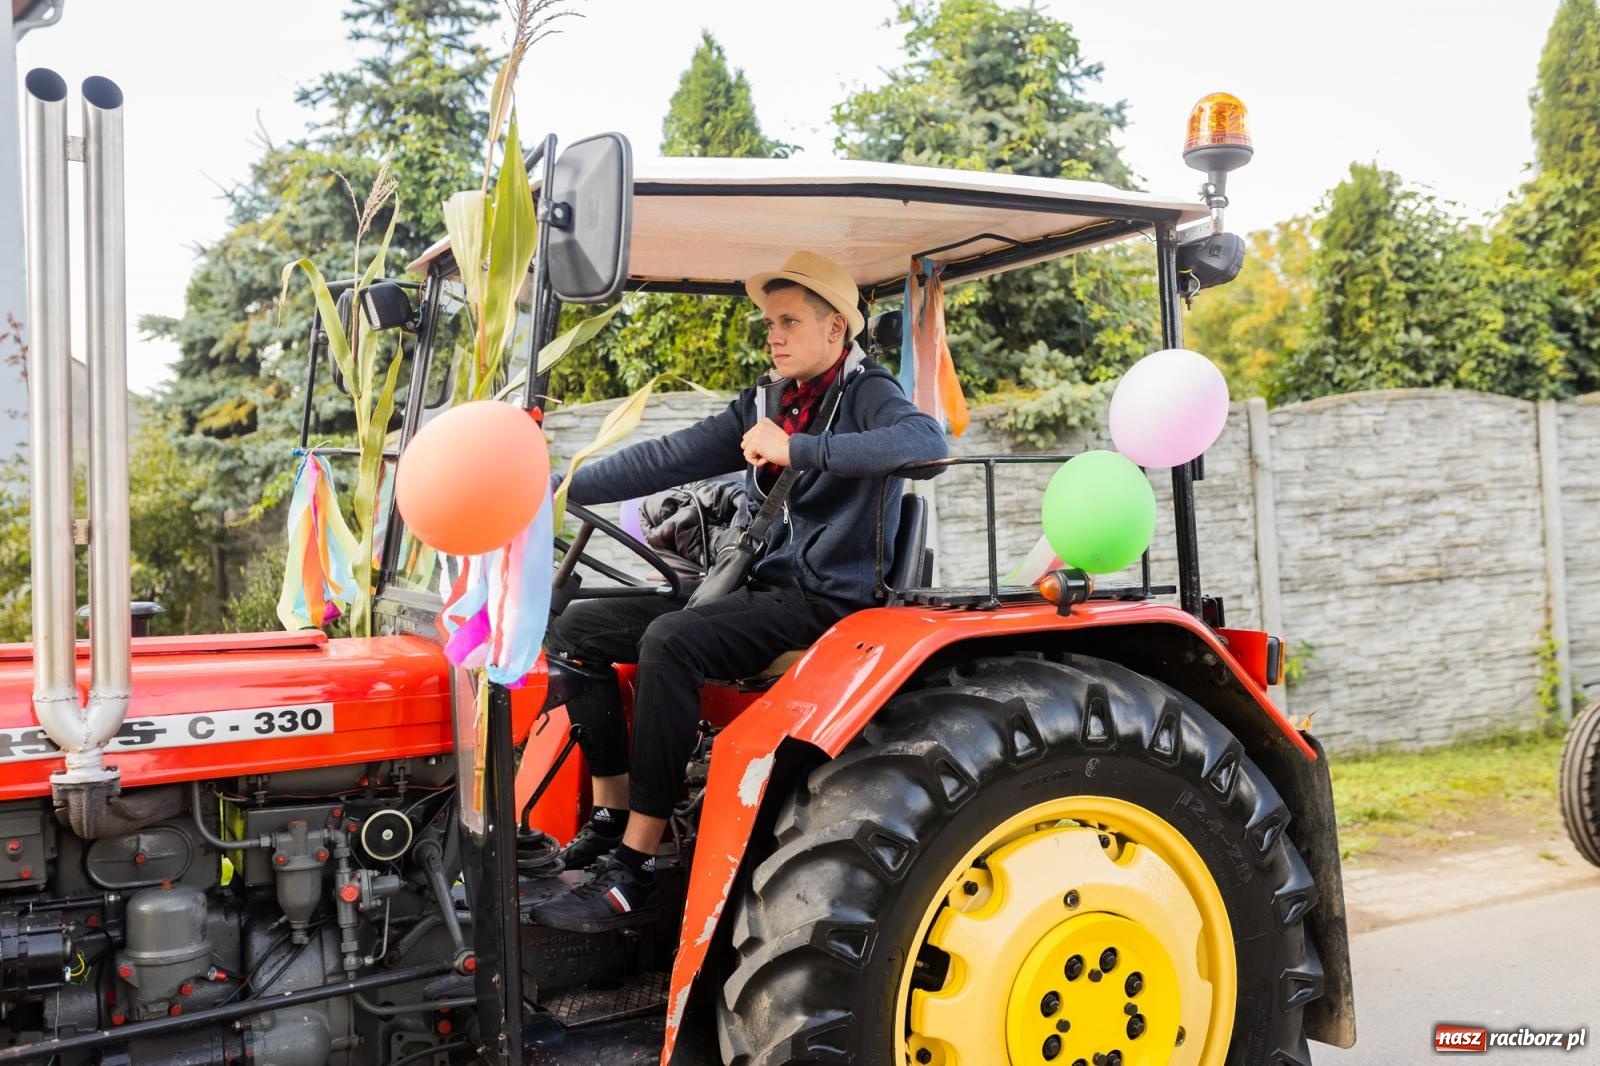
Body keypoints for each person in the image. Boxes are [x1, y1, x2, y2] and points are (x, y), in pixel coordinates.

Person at [531, 250, 947, 932]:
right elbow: (671, 456)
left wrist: (800, 450)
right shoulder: (769, 400)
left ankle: (635, 869)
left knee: (672, 640)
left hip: (826, 601)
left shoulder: (866, 392)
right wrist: (558, 486)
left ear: (836, 329)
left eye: (788, 321)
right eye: (768, 322)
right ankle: (611, 814)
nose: (772, 335)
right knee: (578, 627)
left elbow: (924, 440)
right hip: (755, 583)